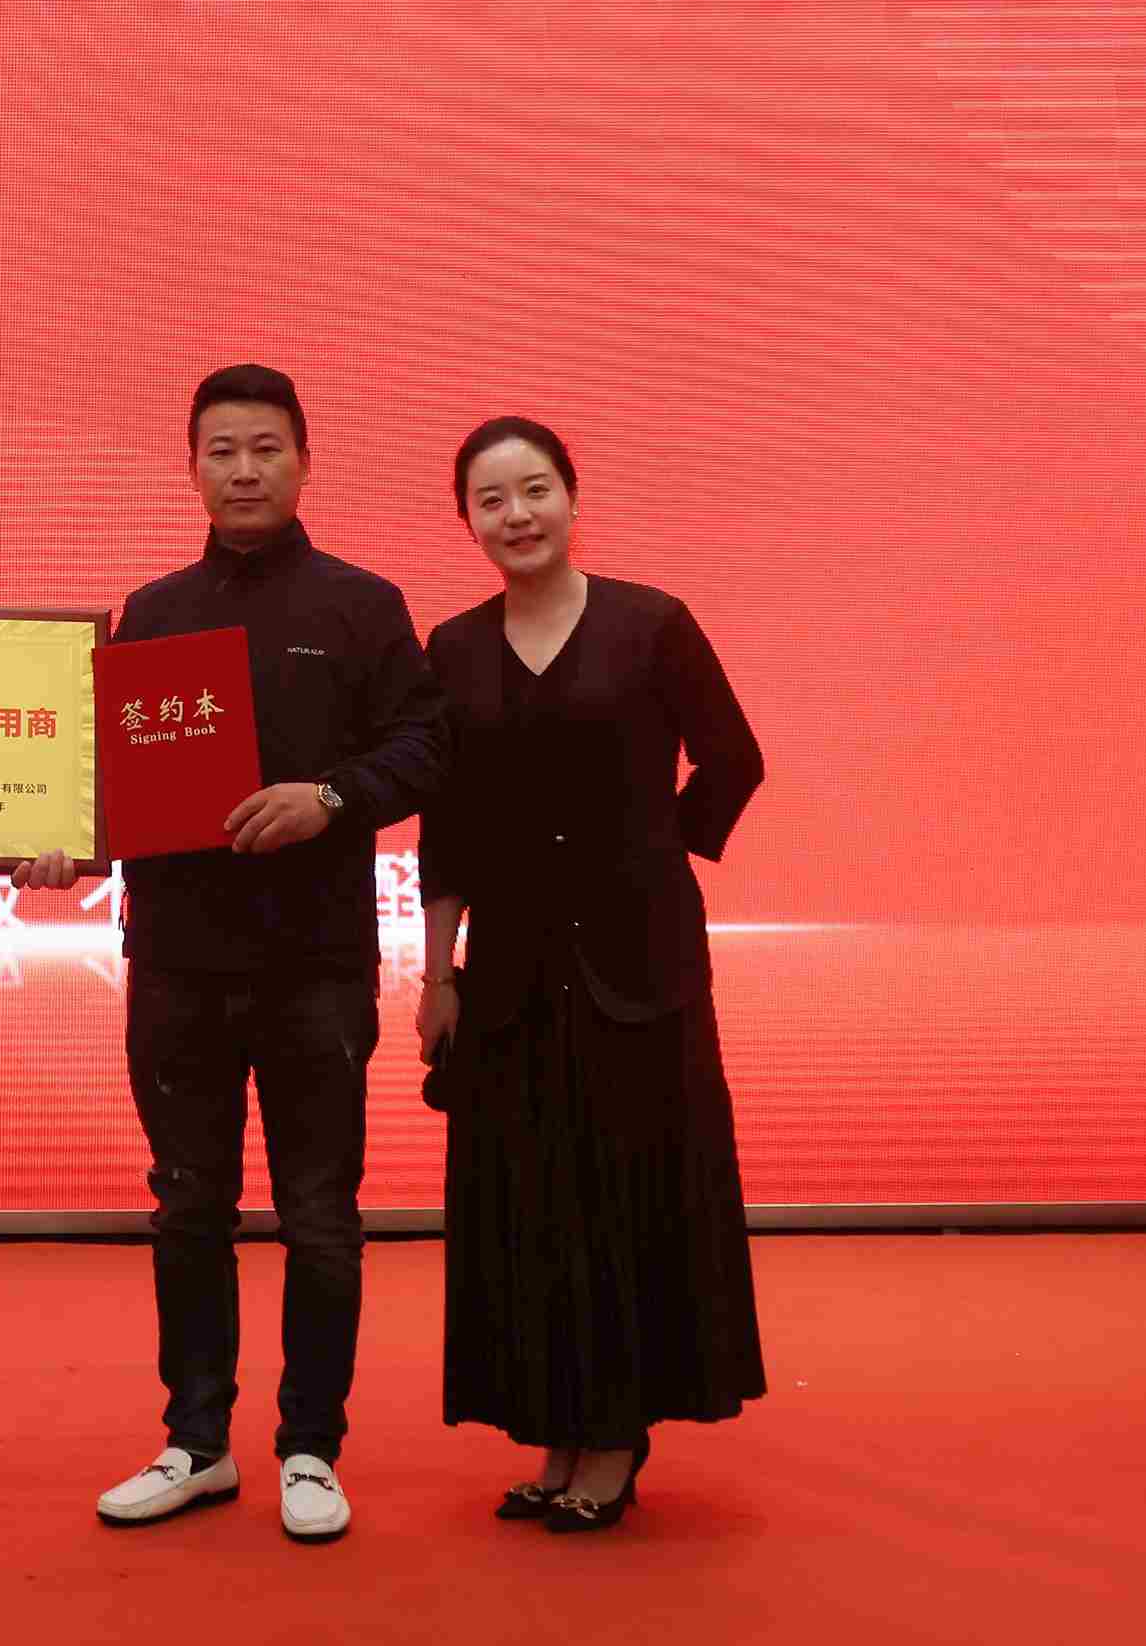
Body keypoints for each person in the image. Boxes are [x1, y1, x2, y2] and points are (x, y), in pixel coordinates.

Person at [23, 364, 446, 1543]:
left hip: (317, 967)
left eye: (266, 448)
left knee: (320, 1215)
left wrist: (330, 797)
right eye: (222, 450)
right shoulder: (153, 612)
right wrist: (63, 841)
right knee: (188, 1207)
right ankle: (197, 1443)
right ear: (192, 467)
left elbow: (427, 748)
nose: (244, 470)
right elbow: (109, 780)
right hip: (176, 964)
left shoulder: (362, 605)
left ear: (304, 461)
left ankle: (311, 1448)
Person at [414, 417, 767, 1531]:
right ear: (466, 521)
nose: (515, 516)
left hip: (638, 963)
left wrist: (658, 850)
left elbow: (735, 758)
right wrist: (435, 974)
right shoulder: (452, 649)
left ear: (571, 498)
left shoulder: (651, 624)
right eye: (490, 500)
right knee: (531, 1197)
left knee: (625, 1191)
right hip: (509, 968)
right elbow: (446, 826)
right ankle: (558, 1429)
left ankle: (614, 1439)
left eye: (534, 491)